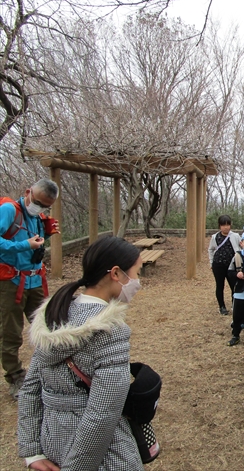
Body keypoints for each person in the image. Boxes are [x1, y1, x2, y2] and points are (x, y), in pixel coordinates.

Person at [17, 236, 144, 470]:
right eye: (136, 273)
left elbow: (31, 388)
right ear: (115, 274)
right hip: (100, 454)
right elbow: (103, 413)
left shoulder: (56, 314)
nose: (138, 281)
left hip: (52, 441)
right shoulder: (111, 330)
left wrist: (32, 451)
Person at [0, 179, 59, 399]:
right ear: (28, 193)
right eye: (38, 203)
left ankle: (48, 369)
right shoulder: (8, 211)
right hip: (11, 282)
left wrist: (47, 234)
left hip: (36, 280)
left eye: (45, 206)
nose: (40, 209)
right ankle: (15, 377)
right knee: (10, 332)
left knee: (47, 326)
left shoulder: (37, 217)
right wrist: (25, 245)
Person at [208, 215, 241, 316]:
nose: (226, 227)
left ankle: (235, 305)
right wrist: (211, 262)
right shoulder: (215, 237)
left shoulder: (235, 236)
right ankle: (221, 306)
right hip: (218, 265)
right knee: (220, 285)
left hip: (232, 266)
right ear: (219, 226)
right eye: (223, 225)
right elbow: (211, 249)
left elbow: (241, 247)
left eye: (228, 224)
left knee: (234, 286)